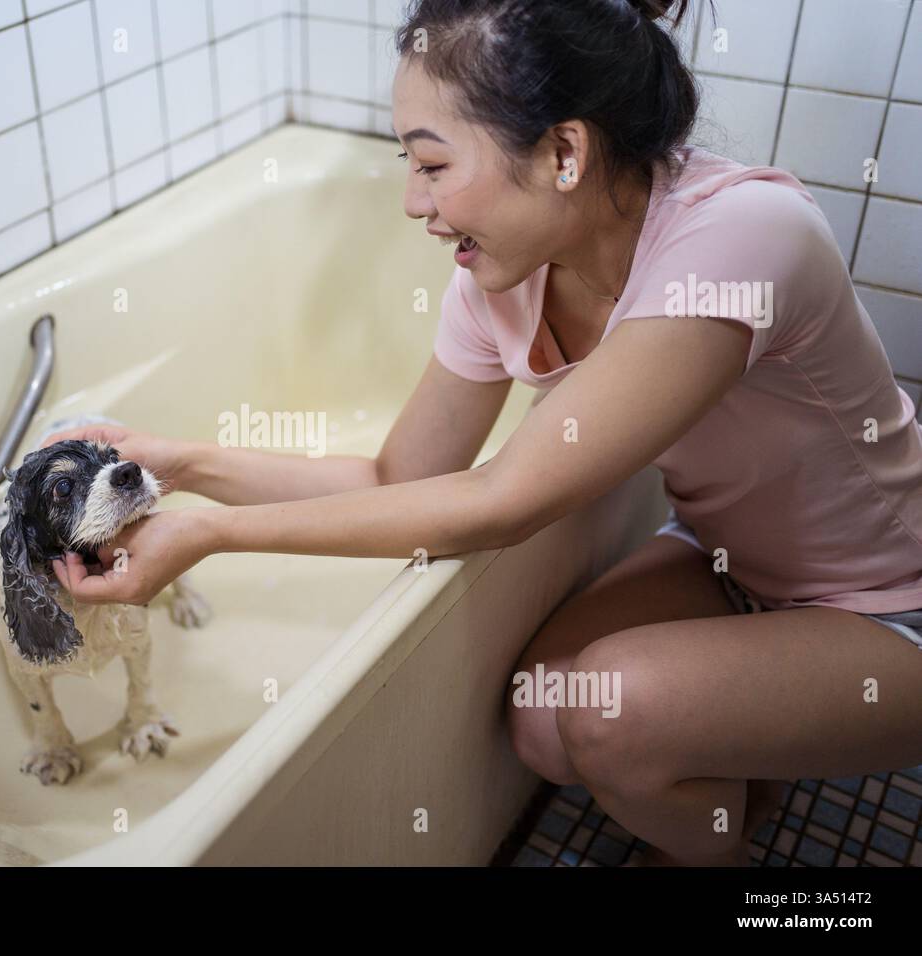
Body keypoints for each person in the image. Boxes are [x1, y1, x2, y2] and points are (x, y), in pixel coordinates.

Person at [47, 0, 922, 866]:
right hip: (725, 558)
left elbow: (496, 502)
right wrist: (184, 465)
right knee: (544, 720)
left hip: (889, 607)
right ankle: (751, 783)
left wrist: (213, 536)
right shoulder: (500, 275)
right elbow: (400, 474)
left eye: (431, 165)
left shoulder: (739, 238)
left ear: (564, 152)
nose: (409, 202)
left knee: (607, 718)